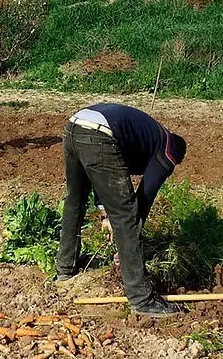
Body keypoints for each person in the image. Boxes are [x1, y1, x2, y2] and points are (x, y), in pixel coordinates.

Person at [55, 103, 187, 318]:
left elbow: (105, 172)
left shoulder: (145, 137)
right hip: (99, 134)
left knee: (75, 201)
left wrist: (106, 212)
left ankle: (65, 269)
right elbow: (145, 195)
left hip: (75, 126)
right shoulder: (169, 150)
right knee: (126, 215)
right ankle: (141, 298)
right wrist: (128, 234)